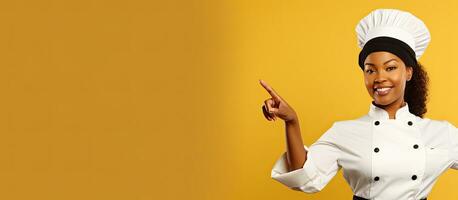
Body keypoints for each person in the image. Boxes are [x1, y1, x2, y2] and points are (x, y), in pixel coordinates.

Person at [260, 8, 458, 200]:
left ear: (408, 72)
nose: (380, 78)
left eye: (390, 68)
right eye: (370, 70)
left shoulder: (440, 133)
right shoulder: (344, 132)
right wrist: (292, 121)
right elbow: (303, 176)